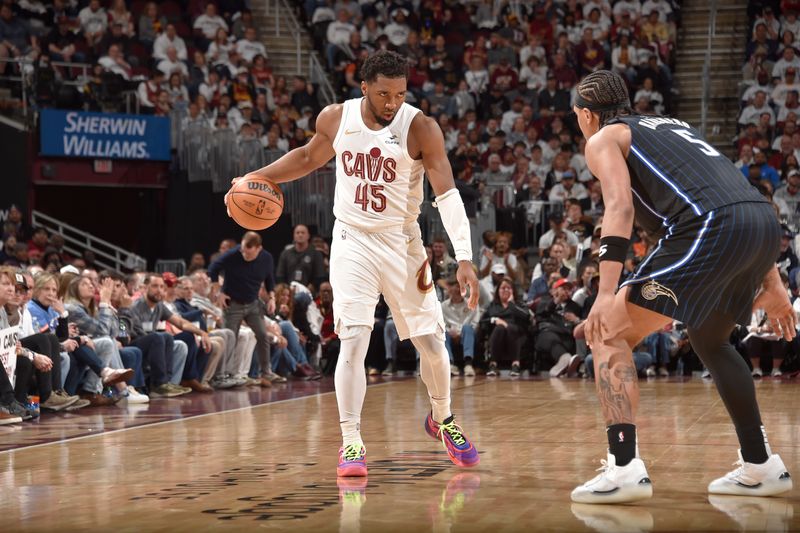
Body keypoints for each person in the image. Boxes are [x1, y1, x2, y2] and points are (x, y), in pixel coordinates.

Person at [226, 50, 481, 477]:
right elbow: (307, 158)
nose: (391, 103)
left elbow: (447, 193)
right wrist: (259, 177)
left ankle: (442, 418)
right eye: (383, 93)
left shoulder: (421, 128)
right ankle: (350, 442)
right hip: (352, 241)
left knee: (433, 347)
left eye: (399, 94)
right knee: (354, 341)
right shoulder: (336, 117)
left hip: (403, 243)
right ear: (363, 86)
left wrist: (465, 258)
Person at [571, 70, 794, 504]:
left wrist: (603, 294)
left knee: (608, 332)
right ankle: (760, 463)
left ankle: (623, 469)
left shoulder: (602, 139)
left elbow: (618, 207)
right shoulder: (673, 125)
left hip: (708, 229)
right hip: (761, 222)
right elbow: (736, 196)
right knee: (711, 339)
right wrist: (774, 278)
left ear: (585, 115)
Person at [207, 231, 284, 384]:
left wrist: (272, 298)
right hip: (233, 304)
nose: (244, 255)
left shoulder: (266, 258)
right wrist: (218, 292)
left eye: (249, 253)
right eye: (243, 250)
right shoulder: (232, 254)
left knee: (263, 335)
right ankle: (222, 376)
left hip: (253, 303)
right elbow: (212, 269)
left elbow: (270, 279)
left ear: (258, 249)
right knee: (230, 338)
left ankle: (266, 372)